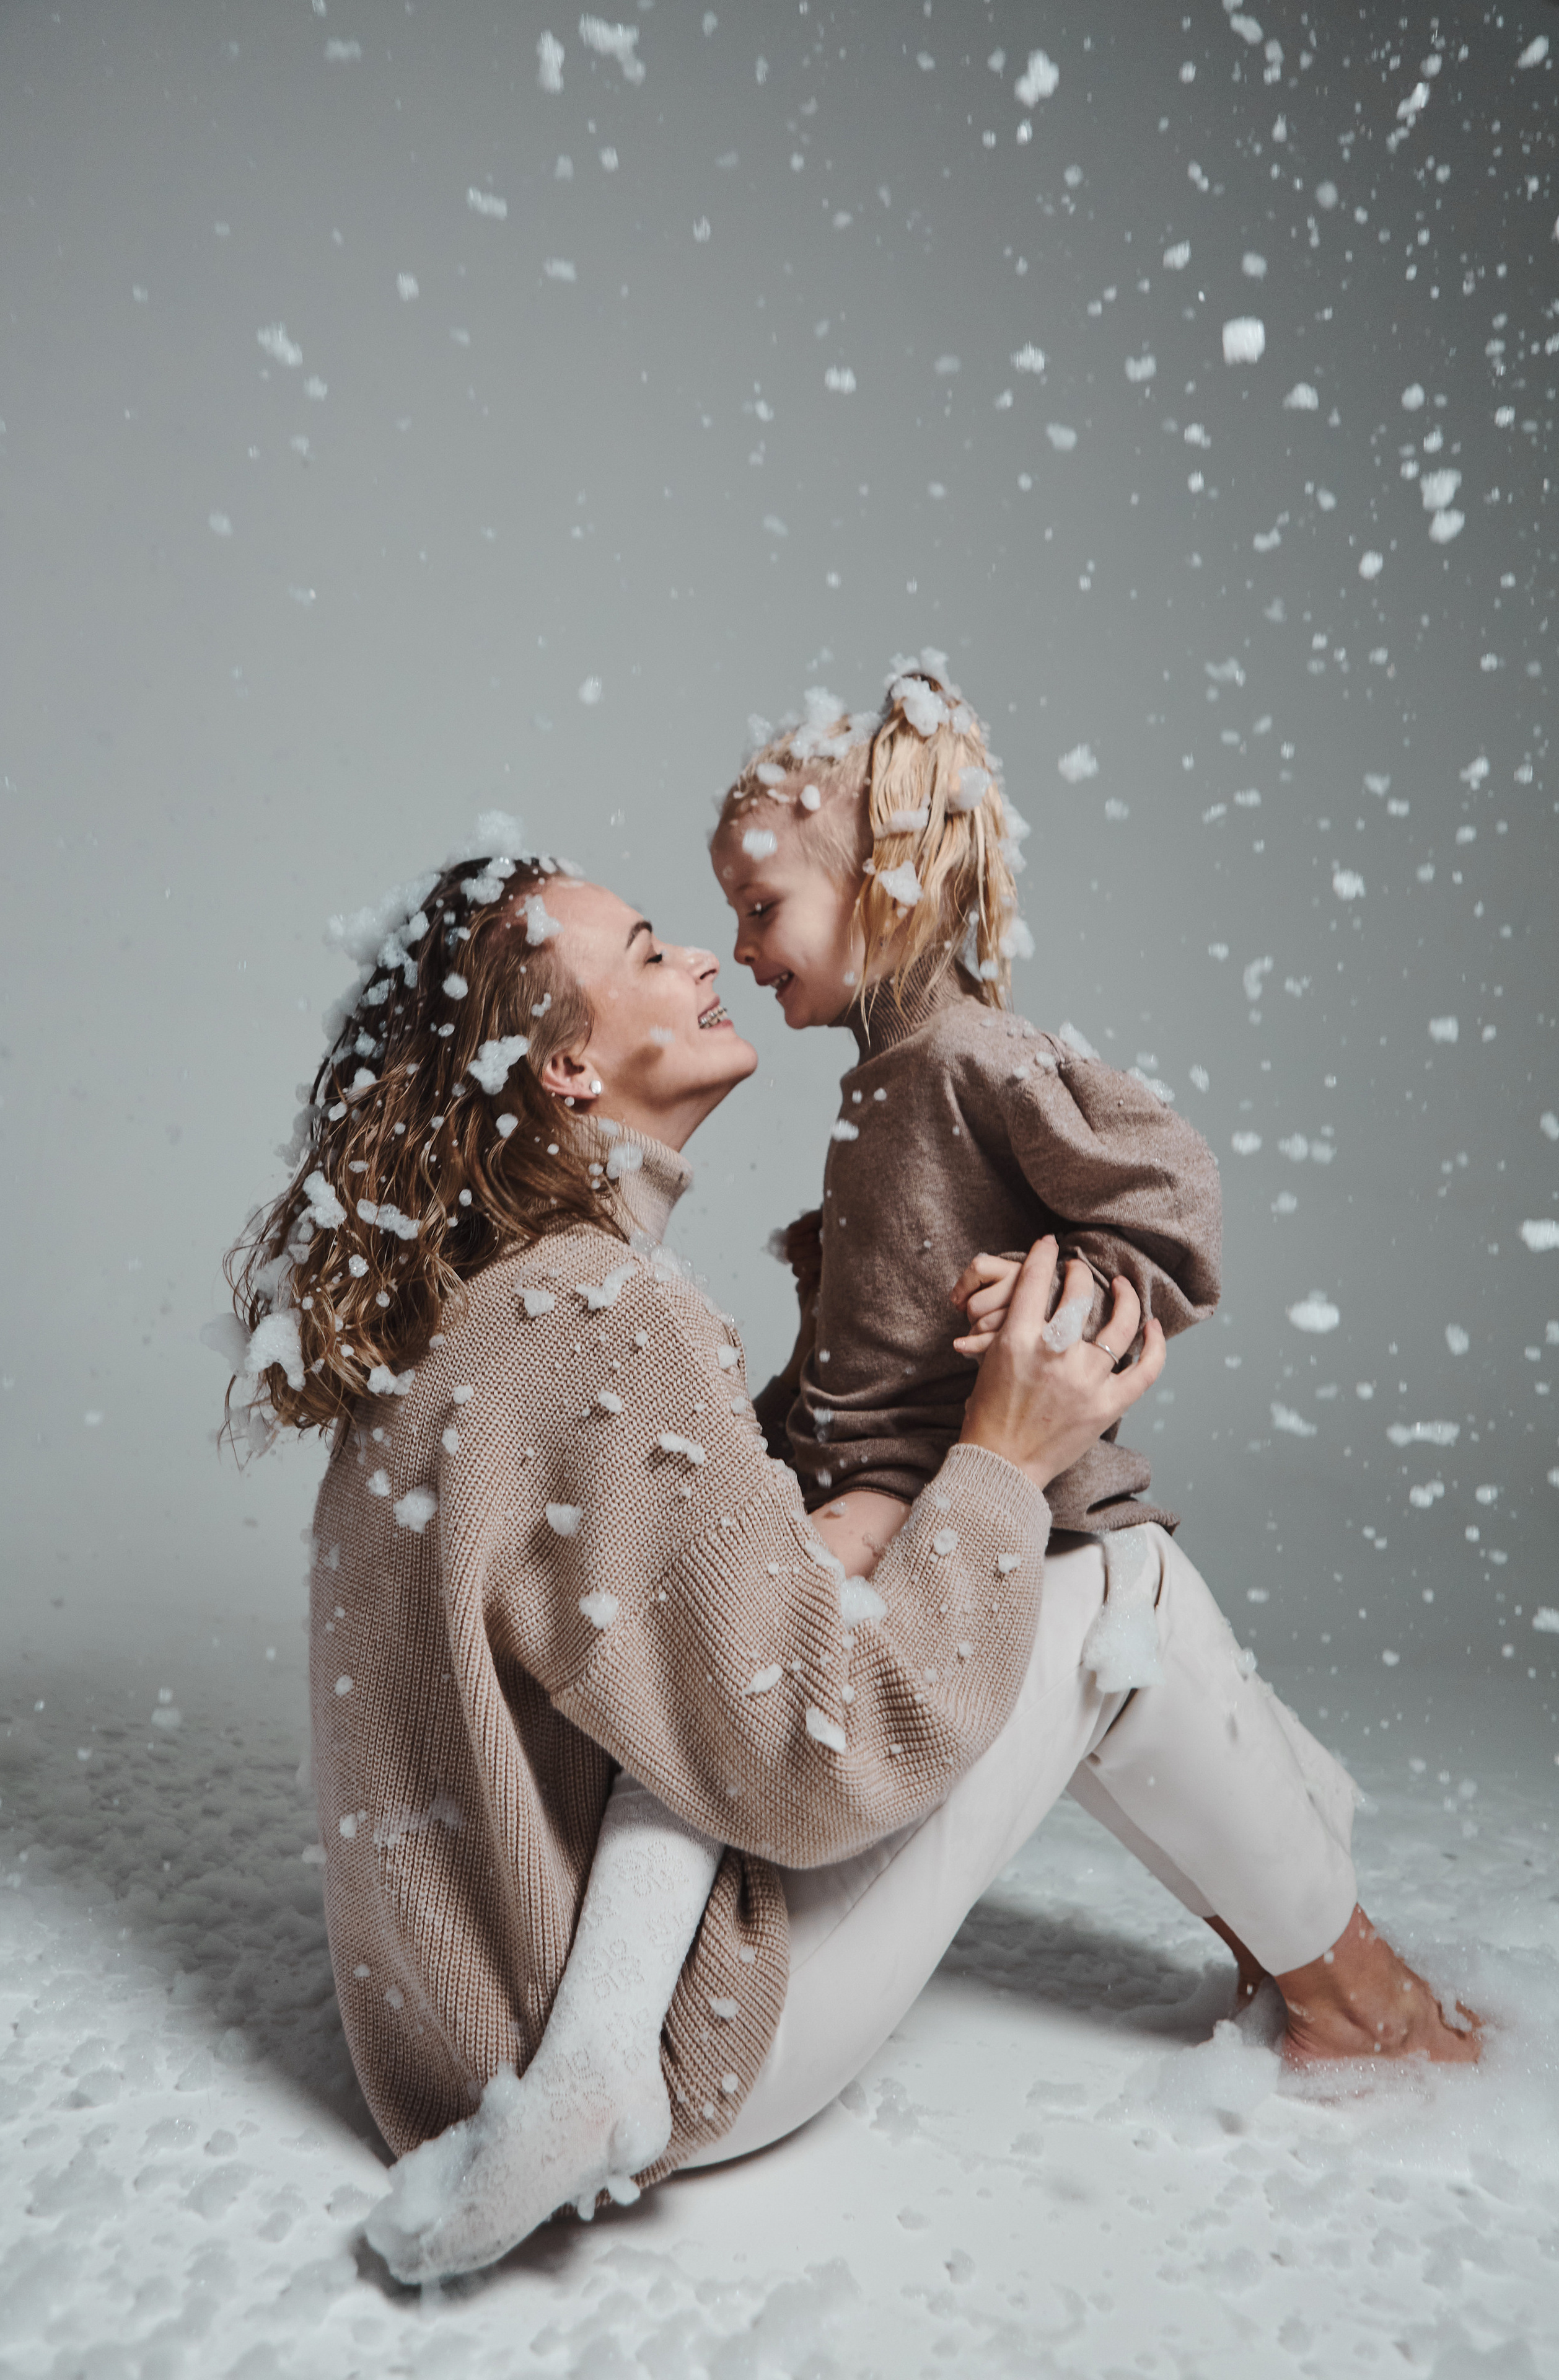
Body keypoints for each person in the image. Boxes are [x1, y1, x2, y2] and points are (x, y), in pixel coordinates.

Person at [219, 821, 1478, 2293]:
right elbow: (806, 1770)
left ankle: (1291, 1935)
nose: (700, 955)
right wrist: (1000, 1461)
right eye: (642, 951)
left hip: (452, 2050)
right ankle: (1364, 2012)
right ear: (563, 1068)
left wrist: (870, 1486)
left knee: (948, 1557)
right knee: (1118, 1590)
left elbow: (659, 1607)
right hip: (645, 2056)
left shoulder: (484, 1310)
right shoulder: (603, 1315)